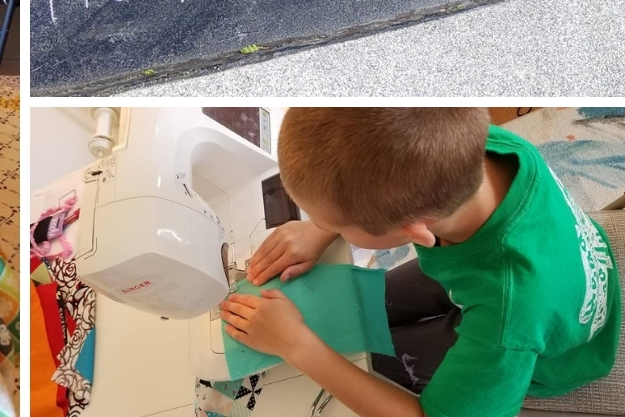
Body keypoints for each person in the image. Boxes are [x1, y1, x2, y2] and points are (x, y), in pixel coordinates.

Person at [220, 108, 620, 417]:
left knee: (371, 361)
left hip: (550, 346)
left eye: (330, 220)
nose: (318, 223)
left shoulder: (509, 320)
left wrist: (298, 346)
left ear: (416, 231)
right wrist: (323, 228)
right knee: (365, 306)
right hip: (525, 268)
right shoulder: (473, 147)